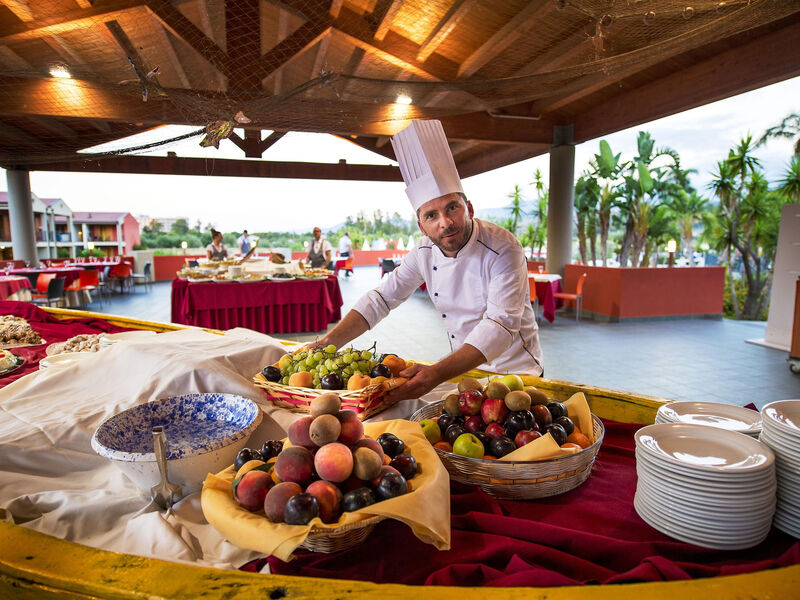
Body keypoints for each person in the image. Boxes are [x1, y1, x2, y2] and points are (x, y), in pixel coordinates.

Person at [314, 119, 543, 403]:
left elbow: (499, 325)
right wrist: (328, 343)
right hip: (463, 373)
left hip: (517, 374)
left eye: (452, 208)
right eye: (431, 215)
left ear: (468, 208)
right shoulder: (424, 252)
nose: (445, 223)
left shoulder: (503, 248)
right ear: (422, 226)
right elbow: (382, 298)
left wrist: (435, 373)